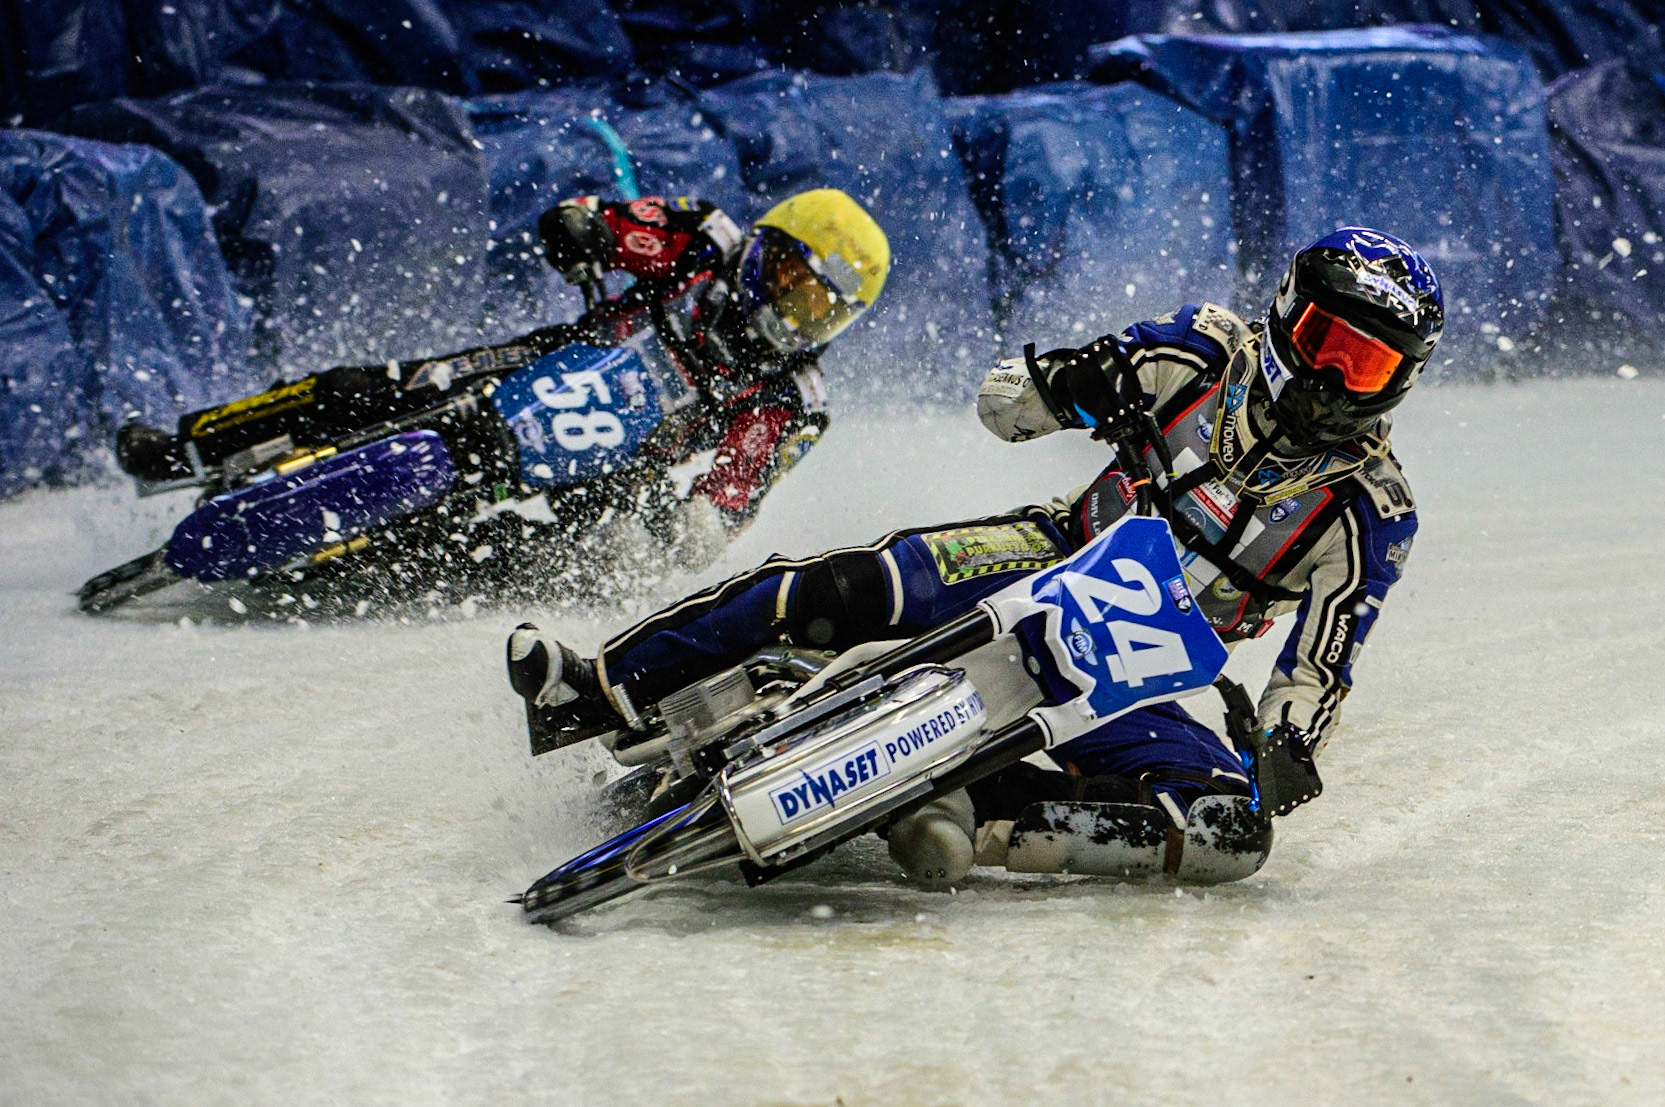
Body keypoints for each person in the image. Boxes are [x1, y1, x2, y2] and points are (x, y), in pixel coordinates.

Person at [507, 226, 1440, 886]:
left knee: (1230, 830)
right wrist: (1068, 384)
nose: (1329, 380)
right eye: (1326, 345)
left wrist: (1286, 745)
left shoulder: (1369, 511)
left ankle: (977, 811)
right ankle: (596, 684)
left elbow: (1319, 666)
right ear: (1285, 316)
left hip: (1134, 669)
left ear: (1400, 382)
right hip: (1045, 550)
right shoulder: (1198, 352)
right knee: (851, 584)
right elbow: (1003, 405)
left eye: (1365, 367)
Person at [115, 188, 891, 555]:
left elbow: (737, 487)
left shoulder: (795, 396)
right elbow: (610, 221)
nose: (796, 317)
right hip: (542, 364)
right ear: (768, 251)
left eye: (822, 310)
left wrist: (702, 523)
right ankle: (187, 444)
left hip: (616, 468)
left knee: (563, 564)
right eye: (794, 287)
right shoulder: (705, 240)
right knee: (360, 390)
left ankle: (370, 572)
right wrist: (582, 228)